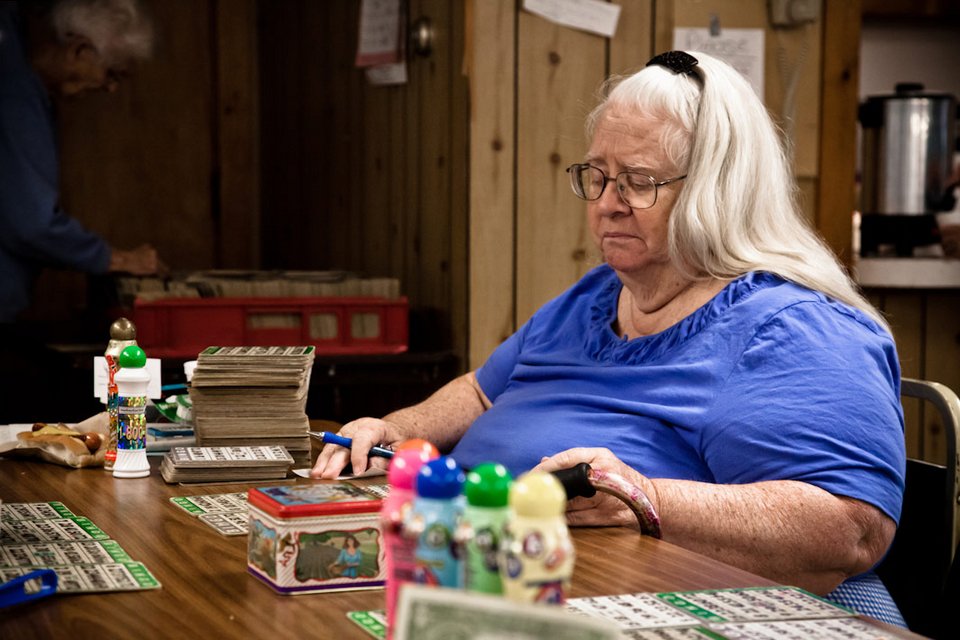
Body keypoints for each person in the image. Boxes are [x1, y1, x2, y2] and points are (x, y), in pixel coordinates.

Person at [312, 51, 907, 626]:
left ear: (717, 189)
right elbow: (481, 392)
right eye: (596, 177)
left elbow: (850, 530)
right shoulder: (595, 297)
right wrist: (399, 430)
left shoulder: (793, 329)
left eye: (638, 182)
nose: (606, 205)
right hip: (494, 581)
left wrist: (642, 497)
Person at [0, 0, 164, 325]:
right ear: (79, 50)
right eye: (112, 73)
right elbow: (32, 224)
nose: (111, 88)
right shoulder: (16, 93)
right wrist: (111, 257)